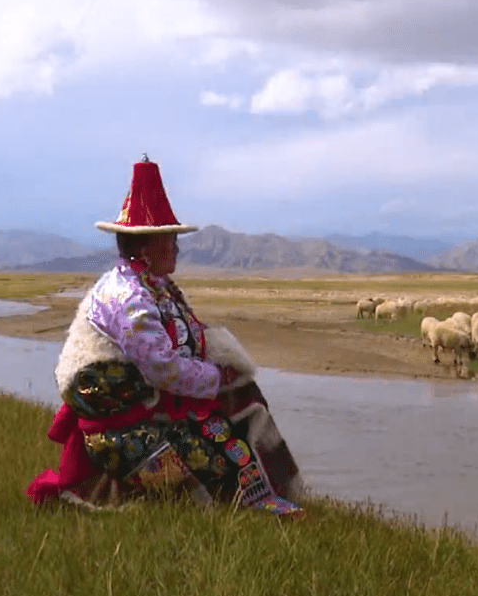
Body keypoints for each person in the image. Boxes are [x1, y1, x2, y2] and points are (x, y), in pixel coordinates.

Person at [26, 154, 305, 517]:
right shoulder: (128, 298)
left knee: (234, 424)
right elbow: (161, 368)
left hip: (153, 404)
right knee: (205, 476)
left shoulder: (155, 286)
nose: (177, 248)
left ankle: (272, 492)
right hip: (126, 419)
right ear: (145, 246)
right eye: (170, 240)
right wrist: (217, 377)